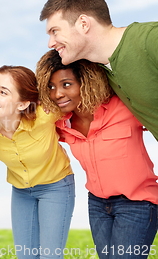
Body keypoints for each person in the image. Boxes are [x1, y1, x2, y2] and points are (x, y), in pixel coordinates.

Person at [36, 50, 158, 259]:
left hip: (138, 204)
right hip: (98, 205)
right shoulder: (60, 123)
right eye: (51, 87)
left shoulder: (125, 107)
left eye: (66, 84)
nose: (57, 94)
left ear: (86, 81)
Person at [0, 65, 74, 259]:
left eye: (3, 92)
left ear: (22, 104)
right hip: (21, 191)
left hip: (56, 186)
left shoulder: (44, 116)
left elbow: (77, 104)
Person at [40, 0, 158, 141]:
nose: (50, 43)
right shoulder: (102, 73)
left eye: (55, 31)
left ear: (83, 24)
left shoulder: (151, 39)